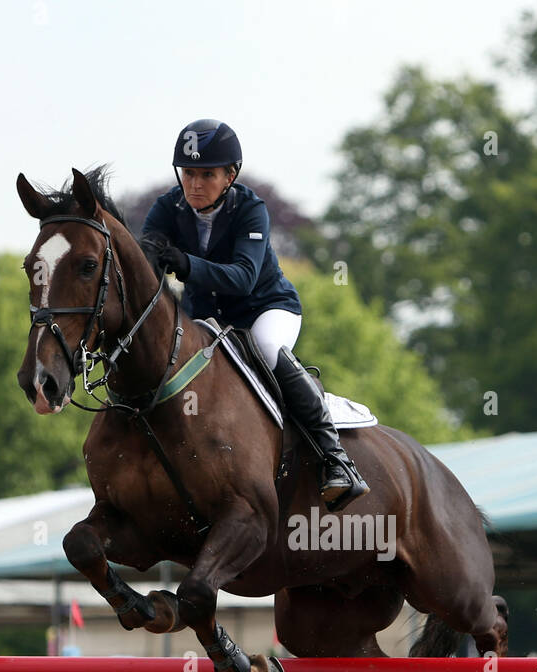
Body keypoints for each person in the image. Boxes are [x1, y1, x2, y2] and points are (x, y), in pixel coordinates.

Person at [141, 119, 369, 511]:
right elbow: (146, 271)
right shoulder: (167, 208)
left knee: (265, 347)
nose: (195, 184)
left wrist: (186, 264)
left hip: (265, 309)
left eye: (207, 174)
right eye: (189, 173)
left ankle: (336, 459)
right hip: (207, 321)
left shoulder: (250, 209)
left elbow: (244, 278)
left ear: (230, 175)